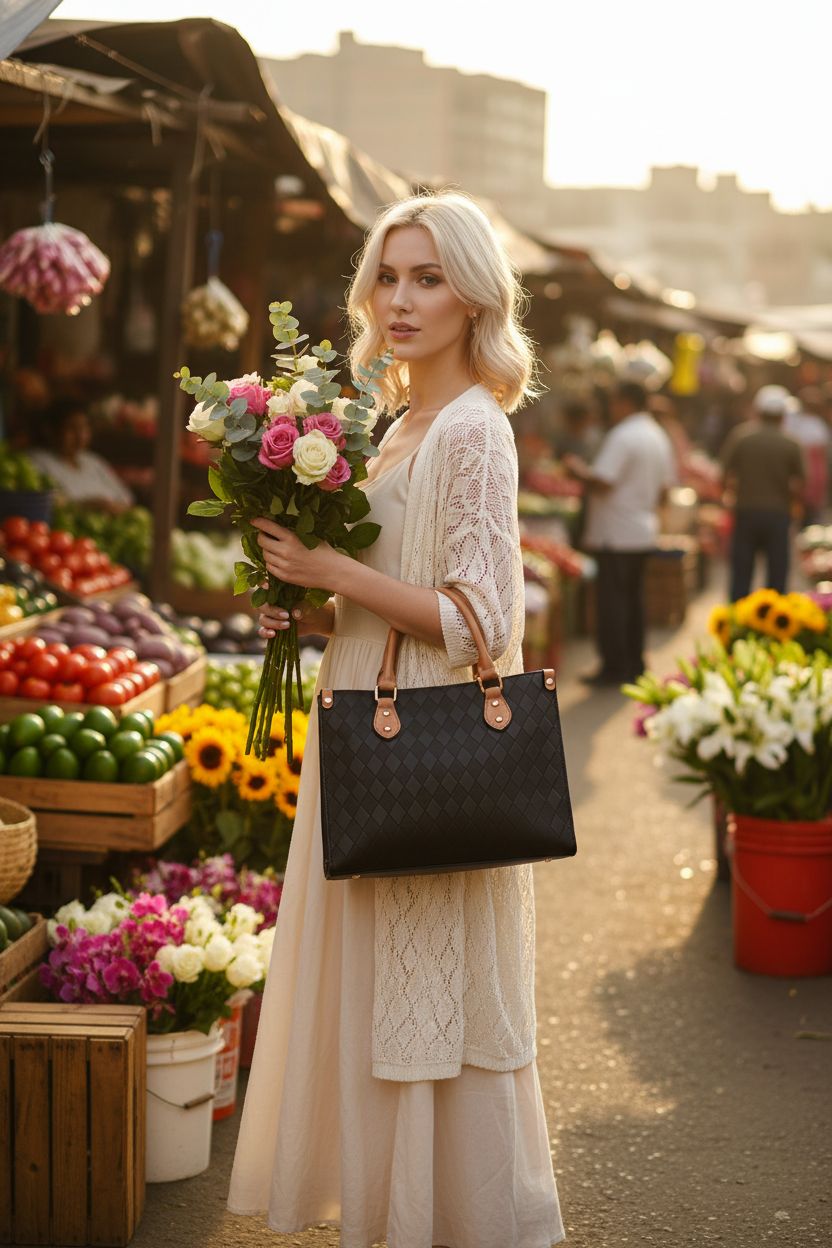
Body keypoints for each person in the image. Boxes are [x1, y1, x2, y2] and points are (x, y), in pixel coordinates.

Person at [226, 192, 565, 1248]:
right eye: (388, 275)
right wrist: (313, 597)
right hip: (367, 716)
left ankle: (442, 1220)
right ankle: (391, 1217)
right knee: (381, 989)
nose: (403, 298)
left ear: (474, 297)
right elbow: (394, 583)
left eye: (429, 278)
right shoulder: (400, 422)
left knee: (428, 992)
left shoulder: (472, 431)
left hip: (421, 740)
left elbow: (480, 620)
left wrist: (335, 573)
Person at [563, 381, 675, 686]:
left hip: (617, 533)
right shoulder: (656, 434)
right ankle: (634, 663)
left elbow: (604, 480)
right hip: (641, 531)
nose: (611, 409)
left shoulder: (624, 435)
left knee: (613, 602)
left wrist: (576, 470)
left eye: (614, 402)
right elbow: (665, 490)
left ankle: (614, 667)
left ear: (625, 402)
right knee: (634, 601)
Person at [720, 384, 805, 601]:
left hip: (745, 512)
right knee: (777, 579)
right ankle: (773, 629)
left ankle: (737, 625)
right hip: (778, 515)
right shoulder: (791, 443)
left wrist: (728, 497)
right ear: (783, 414)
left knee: (741, 575)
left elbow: (724, 474)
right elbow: (801, 482)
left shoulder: (741, 437)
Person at [28, 397, 133, 513]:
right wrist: (86, 506)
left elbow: (125, 497)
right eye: (72, 428)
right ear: (49, 430)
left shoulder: (94, 461)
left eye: (84, 428)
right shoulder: (36, 461)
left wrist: (112, 507)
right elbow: (50, 504)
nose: (80, 436)